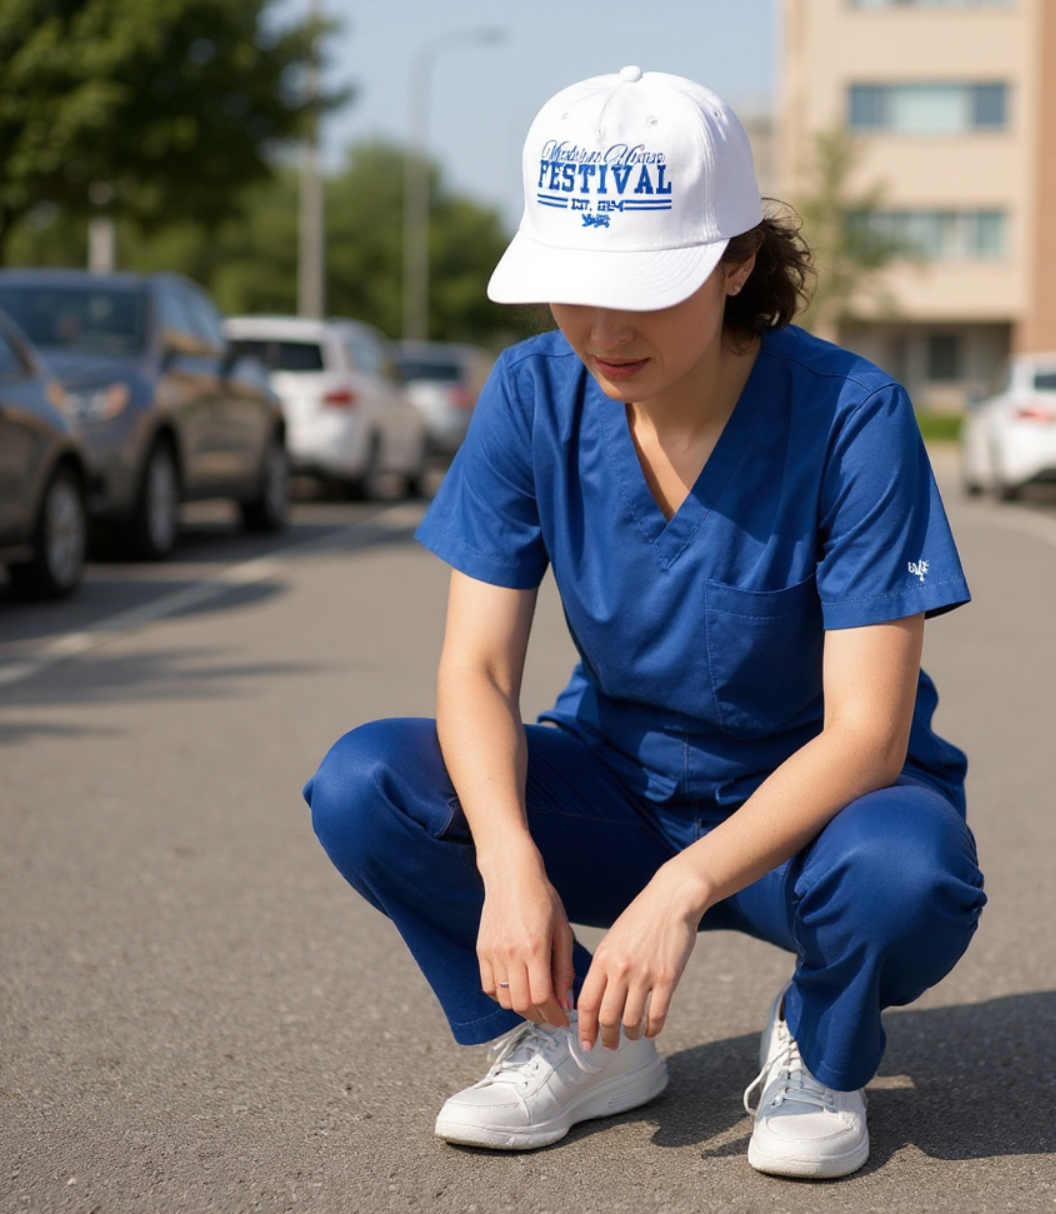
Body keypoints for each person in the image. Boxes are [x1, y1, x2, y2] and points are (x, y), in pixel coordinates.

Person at [304, 66, 986, 1180]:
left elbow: (866, 733)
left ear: (736, 264)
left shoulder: (852, 417)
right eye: (572, 286)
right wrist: (512, 858)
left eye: (643, 288)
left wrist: (679, 889)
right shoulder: (531, 394)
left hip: (813, 816)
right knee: (364, 782)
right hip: (615, 785)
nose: (601, 328)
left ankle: (819, 1041)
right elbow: (475, 666)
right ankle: (580, 1037)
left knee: (908, 877)